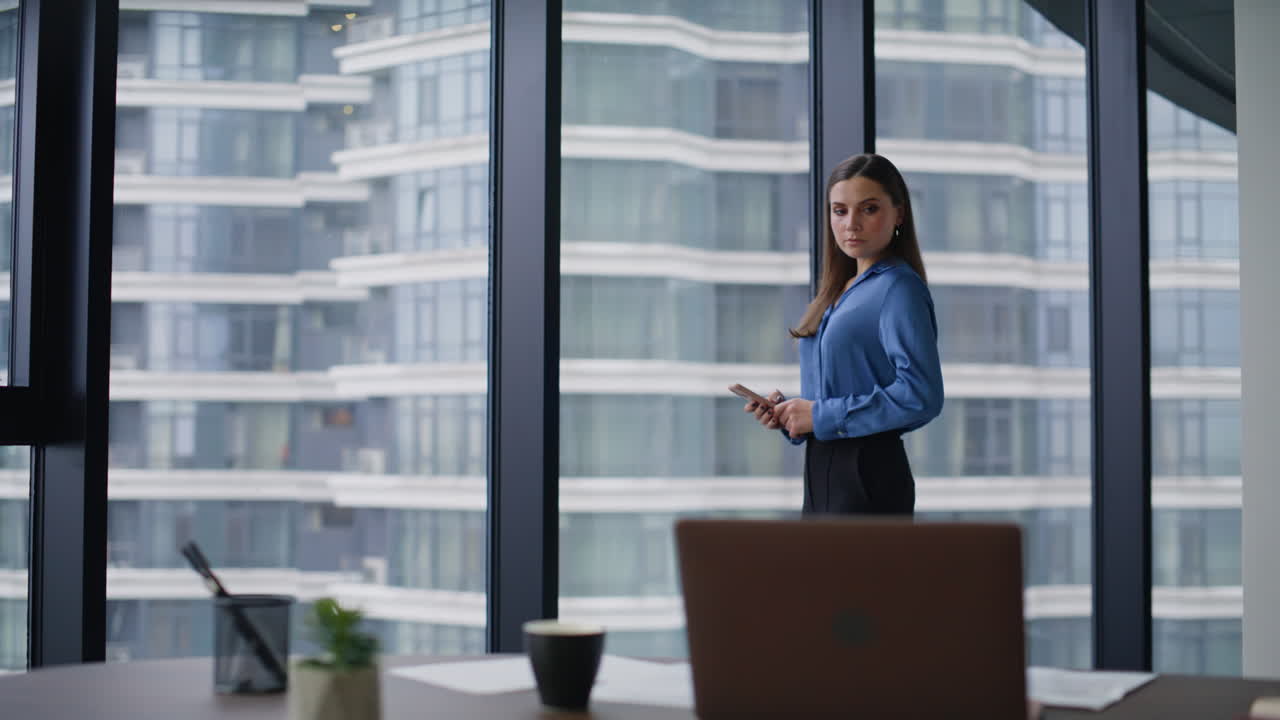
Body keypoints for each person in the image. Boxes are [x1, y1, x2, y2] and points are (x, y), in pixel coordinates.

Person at [743, 153, 943, 515]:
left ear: (899, 214)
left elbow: (921, 395)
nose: (851, 224)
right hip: (821, 469)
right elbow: (836, 395)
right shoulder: (838, 290)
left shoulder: (899, 289)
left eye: (869, 209)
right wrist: (792, 414)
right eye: (839, 211)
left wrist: (819, 415)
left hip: (868, 472)